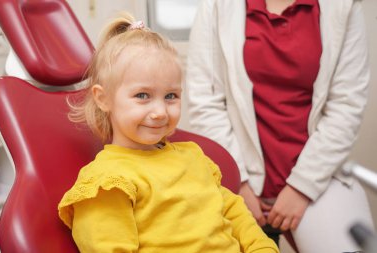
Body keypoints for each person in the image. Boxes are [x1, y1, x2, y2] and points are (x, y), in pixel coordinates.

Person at [57, 12, 279, 253]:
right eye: (143, 96)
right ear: (103, 98)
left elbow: (235, 214)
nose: (160, 112)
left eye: (171, 96)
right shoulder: (108, 182)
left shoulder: (192, 157)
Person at [186, 0, 374, 252]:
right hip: (239, 179)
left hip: (317, 176)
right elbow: (205, 102)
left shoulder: (343, 6)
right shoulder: (218, 6)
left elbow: (346, 106)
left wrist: (301, 187)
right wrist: (238, 182)